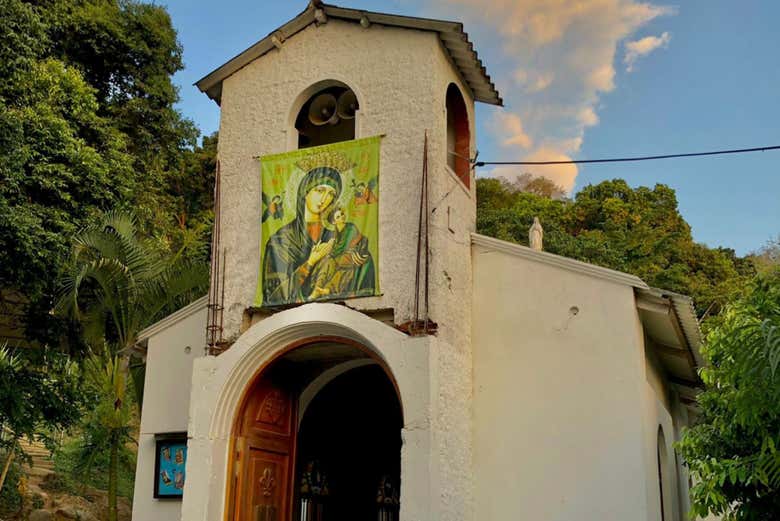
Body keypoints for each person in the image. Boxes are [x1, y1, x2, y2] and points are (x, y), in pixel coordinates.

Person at [262, 166, 375, 305]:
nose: (324, 199)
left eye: (331, 194)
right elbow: (273, 296)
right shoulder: (280, 240)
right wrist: (310, 262)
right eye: (320, 190)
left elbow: (356, 252)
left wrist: (358, 254)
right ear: (305, 192)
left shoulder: (335, 233)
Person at [309, 205, 373, 299]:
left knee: (337, 263)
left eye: (342, 214)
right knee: (327, 262)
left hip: (351, 254)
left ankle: (328, 289)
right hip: (339, 256)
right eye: (338, 217)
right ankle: (317, 288)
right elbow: (335, 247)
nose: (342, 217)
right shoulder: (335, 232)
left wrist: (333, 251)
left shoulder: (350, 227)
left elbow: (351, 243)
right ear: (334, 221)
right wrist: (327, 249)